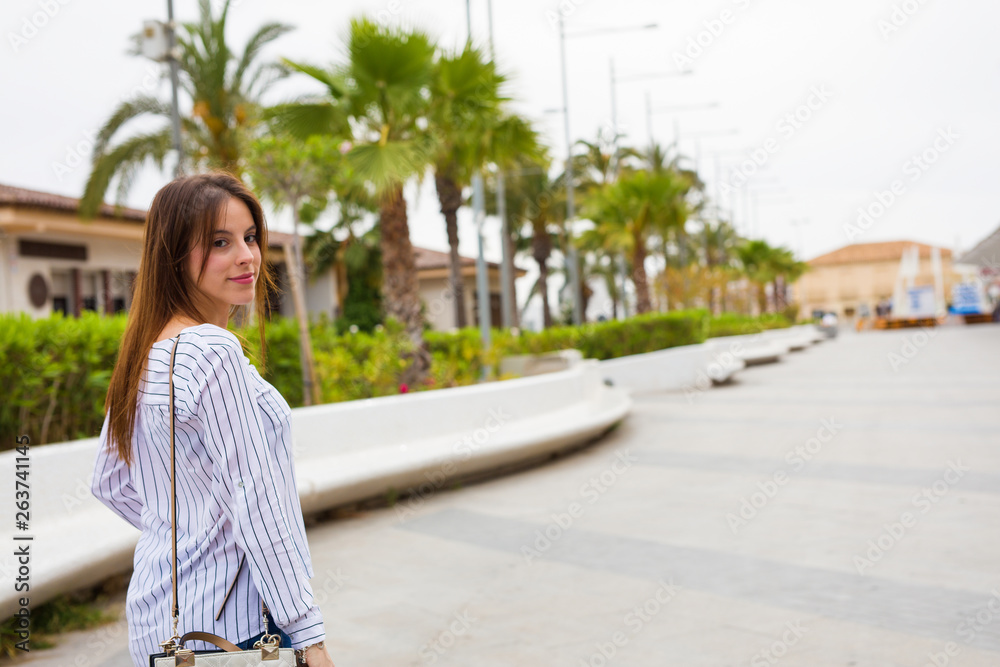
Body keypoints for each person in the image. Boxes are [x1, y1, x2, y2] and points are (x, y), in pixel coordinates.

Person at [91, 172, 335, 667]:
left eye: (250, 238)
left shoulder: (146, 349)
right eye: (220, 242)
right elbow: (256, 498)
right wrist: (309, 637)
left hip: (161, 618)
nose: (247, 256)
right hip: (227, 629)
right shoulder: (211, 350)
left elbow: (110, 482)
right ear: (174, 256)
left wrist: (190, 533)